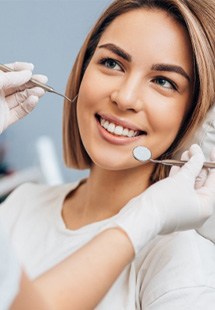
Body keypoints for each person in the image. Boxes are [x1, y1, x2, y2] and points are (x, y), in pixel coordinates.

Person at [1, 0, 215, 309]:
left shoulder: (182, 265)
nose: (124, 97)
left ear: (193, 114)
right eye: (112, 63)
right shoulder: (22, 204)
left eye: (163, 82)